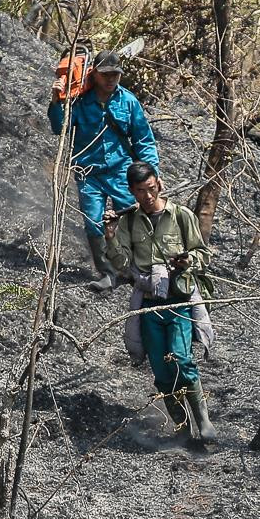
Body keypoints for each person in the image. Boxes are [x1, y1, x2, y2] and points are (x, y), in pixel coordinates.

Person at [102, 162, 212, 444]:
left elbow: (202, 255)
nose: (148, 196)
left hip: (180, 303)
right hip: (150, 305)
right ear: (132, 192)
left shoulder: (181, 216)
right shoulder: (128, 221)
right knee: (162, 371)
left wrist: (187, 260)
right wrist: (111, 236)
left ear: (159, 184)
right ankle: (183, 429)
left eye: (151, 189)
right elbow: (120, 263)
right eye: (141, 191)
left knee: (181, 359)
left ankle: (203, 421)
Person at [49, 48, 159, 285]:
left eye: (115, 74)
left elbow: (143, 139)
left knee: (132, 218)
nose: (111, 79)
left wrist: (152, 173)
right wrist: (56, 101)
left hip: (122, 171)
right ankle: (109, 273)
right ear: (94, 73)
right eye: (105, 74)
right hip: (88, 172)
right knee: (93, 221)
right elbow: (60, 128)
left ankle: (136, 267)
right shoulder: (78, 101)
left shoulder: (127, 101)